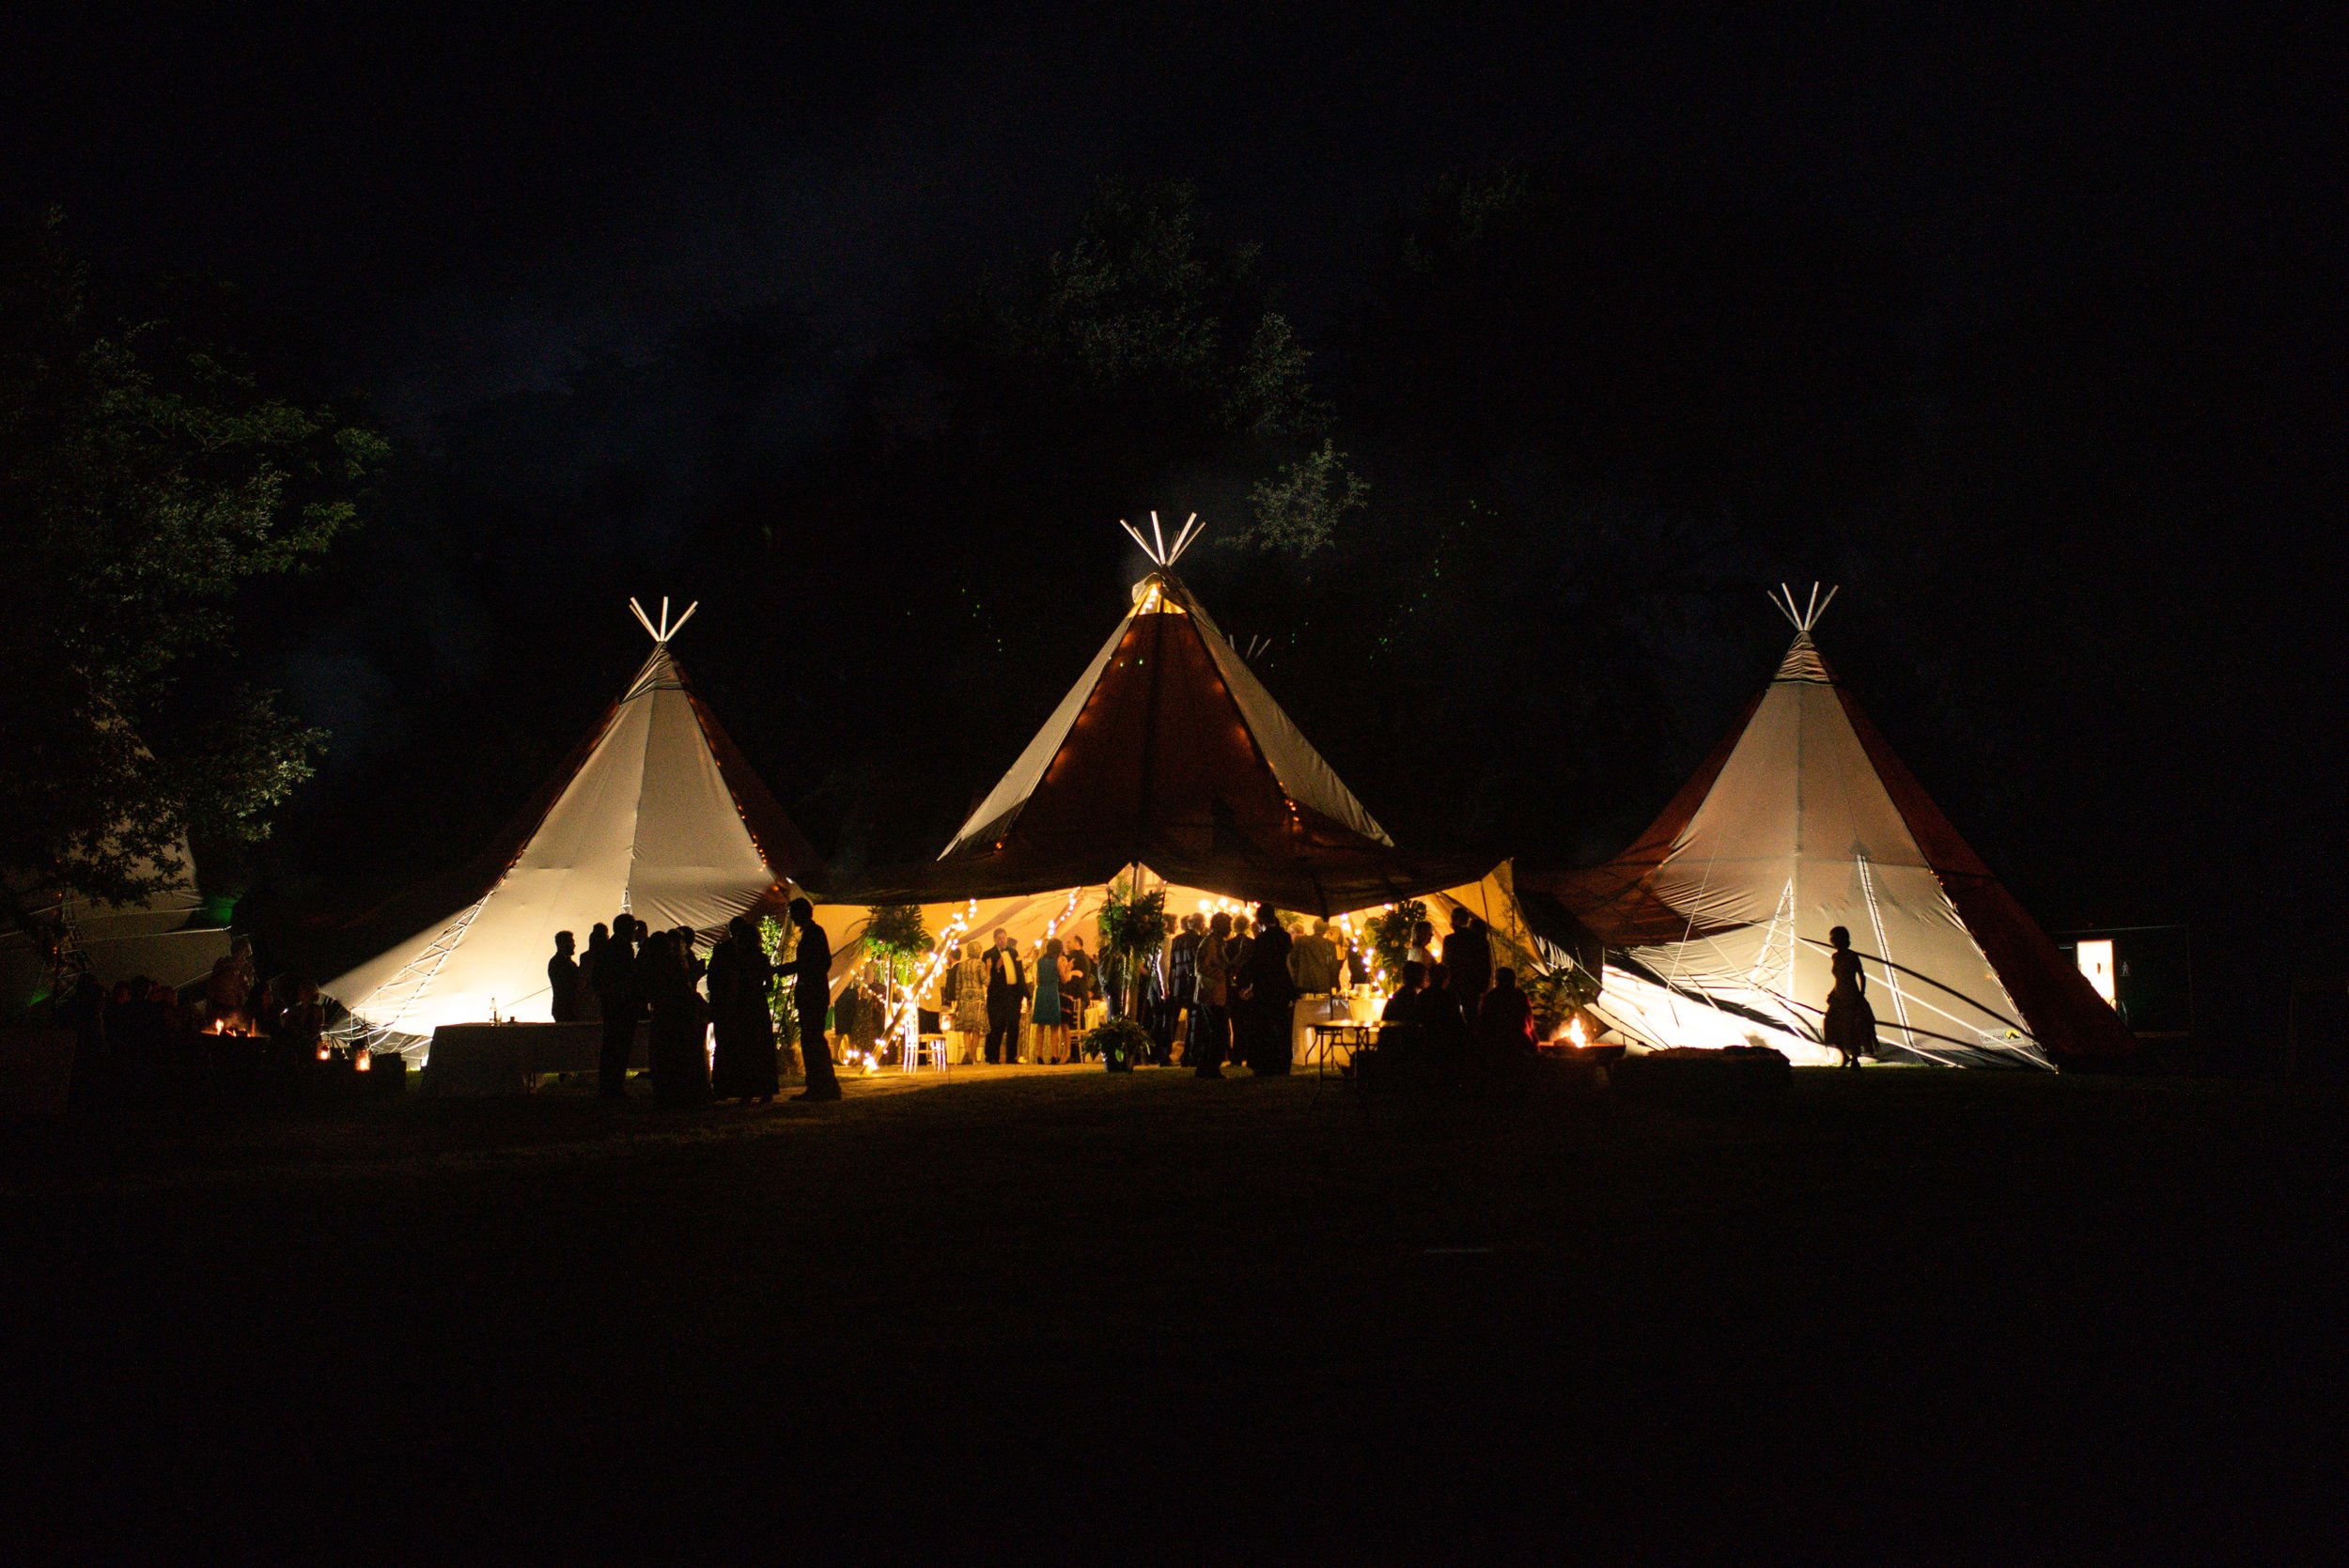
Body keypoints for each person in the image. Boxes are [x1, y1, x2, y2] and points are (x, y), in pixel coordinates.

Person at [708, 915, 778, 1102]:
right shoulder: (762, 958)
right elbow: (770, 985)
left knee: (745, 1049)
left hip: (742, 1005)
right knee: (760, 1048)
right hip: (758, 1005)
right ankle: (765, 1090)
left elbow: (727, 982)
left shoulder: (739, 960)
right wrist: (759, 989)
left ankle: (744, 1091)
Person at [786, 898, 841, 1101]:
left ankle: (822, 1086)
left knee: (813, 1040)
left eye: (793, 912)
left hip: (813, 994)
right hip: (811, 993)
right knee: (812, 1040)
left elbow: (820, 962)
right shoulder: (810, 933)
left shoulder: (815, 933)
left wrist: (801, 972)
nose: (791, 917)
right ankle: (821, 1085)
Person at [1237, 903, 1297, 1075]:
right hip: (1282, 985)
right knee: (1282, 1025)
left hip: (1265, 985)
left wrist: (1245, 984)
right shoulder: (1284, 936)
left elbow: (1256, 963)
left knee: (1263, 1026)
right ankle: (1283, 1062)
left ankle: (1265, 1063)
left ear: (1260, 919)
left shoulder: (1262, 940)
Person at [594, 914, 641, 1098]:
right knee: (619, 1047)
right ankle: (614, 1087)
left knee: (612, 1047)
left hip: (613, 1005)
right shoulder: (622, 948)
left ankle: (610, 1087)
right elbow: (627, 976)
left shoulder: (610, 947)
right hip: (620, 1006)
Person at [1287, 917, 1345, 1065]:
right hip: (1323, 985)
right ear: (1326, 929)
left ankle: (1302, 1049)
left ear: (1313, 927)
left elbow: (1293, 960)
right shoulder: (1329, 945)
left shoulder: (1301, 942)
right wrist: (1335, 985)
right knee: (1322, 1017)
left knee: (1302, 1015)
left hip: (1304, 983)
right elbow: (1333, 967)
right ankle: (1321, 1048)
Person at [1822, 925, 1876, 1069]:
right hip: (1838, 994)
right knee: (1831, 1023)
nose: (1833, 941)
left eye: (1835, 938)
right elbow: (1838, 978)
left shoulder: (1852, 956)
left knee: (1852, 1026)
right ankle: (1844, 1055)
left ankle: (1854, 1059)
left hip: (1851, 994)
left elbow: (1861, 975)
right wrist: (1832, 992)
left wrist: (1861, 993)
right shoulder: (1835, 957)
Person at [1192, 911, 1234, 1077]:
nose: (1230, 928)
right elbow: (1202, 967)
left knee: (1214, 1032)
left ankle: (1205, 1068)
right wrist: (1223, 972)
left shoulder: (1216, 942)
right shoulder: (1211, 942)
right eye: (1228, 925)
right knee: (1219, 1032)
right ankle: (1211, 1068)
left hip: (1213, 992)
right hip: (1211, 993)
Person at [984, 928, 1028, 1065]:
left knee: (1013, 1026)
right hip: (997, 996)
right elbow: (987, 978)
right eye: (1000, 938)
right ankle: (992, 1056)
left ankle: (1011, 1057)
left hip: (1014, 995)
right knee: (996, 1026)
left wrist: (1025, 993)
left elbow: (1020, 974)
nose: (1003, 941)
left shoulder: (1014, 953)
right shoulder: (988, 954)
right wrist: (996, 968)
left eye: (1004, 938)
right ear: (995, 939)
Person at [1475, 968, 1537, 1058]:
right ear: (1513, 980)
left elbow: (1483, 1023)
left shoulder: (1491, 997)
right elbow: (1528, 1022)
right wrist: (1534, 1042)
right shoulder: (1520, 996)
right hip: (1518, 1044)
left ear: (1497, 980)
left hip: (1495, 1046)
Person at [1167, 914, 1204, 1065]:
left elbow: (1172, 964)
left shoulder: (1176, 940)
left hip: (1177, 984)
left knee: (1172, 1021)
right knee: (1194, 1021)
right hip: (1192, 985)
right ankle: (1189, 1055)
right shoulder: (1199, 941)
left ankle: (1165, 1053)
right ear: (1200, 924)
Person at [1442, 908, 1493, 1014]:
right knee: (1472, 1017)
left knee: (1453, 1016)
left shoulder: (1450, 940)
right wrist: (1483, 986)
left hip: (1454, 985)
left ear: (1454, 920)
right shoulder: (1480, 940)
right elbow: (1486, 965)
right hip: (1473, 986)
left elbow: (1446, 964)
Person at [948, 942, 989, 1063]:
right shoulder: (980, 964)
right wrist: (989, 969)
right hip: (977, 997)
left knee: (966, 1028)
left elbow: (958, 985)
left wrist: (958, 1001)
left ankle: (967, 1051)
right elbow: (986, 982)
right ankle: (971, 1055)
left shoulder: (962, 965)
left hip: (965, 996)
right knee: (976, 1028)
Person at [1031, 937, 1066, 1063]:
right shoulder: (1057, 962)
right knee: (1054, 1027)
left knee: (1040, 1026)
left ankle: (1039, 1056)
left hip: (1041, 992)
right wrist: (1068, 969)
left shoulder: (1039, 961)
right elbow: (1063, 979)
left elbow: (1038, 980)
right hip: (1052, 992)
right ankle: (1054, 1055)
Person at [1062, 934, 1095, 1051]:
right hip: (1081, 994)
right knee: (1077, 1023)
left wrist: (1070, 972)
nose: (1067, 944)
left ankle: (1075, 1052)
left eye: (1069, 942)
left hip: (1077, 995)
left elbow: (1081, 975)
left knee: (1073, 1023)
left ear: (1077, 943)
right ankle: (1079, 1053)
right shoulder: (1084, 957)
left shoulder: (1077, 956)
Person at [548, 931, 582, 1023]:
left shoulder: (570, 963)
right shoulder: (556, 962)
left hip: (568, 1008)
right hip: (564, 1009)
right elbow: (565, 985)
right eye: (571, 942)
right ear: (562, 943)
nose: (574, 945)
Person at [578, 924, 608, 1022]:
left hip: (589, 997)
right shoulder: (607, 957)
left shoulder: (585, 957)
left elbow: (583, 978)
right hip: (599, 996)